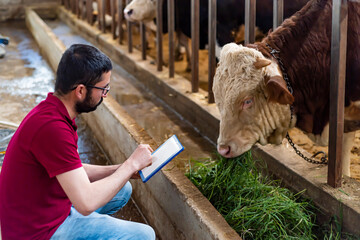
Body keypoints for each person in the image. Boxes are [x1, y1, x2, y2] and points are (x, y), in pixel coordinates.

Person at [0, 44, 156, 240]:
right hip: (38, 232)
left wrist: (122, 169)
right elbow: (86, 203)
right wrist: (131, 164)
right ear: (81, 91)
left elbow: (73, 168)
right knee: (143, 235)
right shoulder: (53, 129)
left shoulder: (53, 111)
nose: (104, 95)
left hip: (43, 213)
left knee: (122, 188)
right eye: (103, 88)